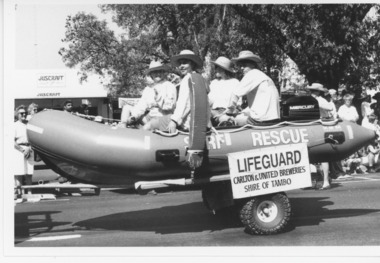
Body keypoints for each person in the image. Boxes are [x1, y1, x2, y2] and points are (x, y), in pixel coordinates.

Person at [223, 50, 280, 126]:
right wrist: (242, 111)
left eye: (244, 65)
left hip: (260, 121)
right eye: (240, 66)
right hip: (274, 119)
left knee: (230, 119)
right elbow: (259, 104)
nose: (242, 68)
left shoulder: (252, 74)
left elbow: (235, 95)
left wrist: (228, 112)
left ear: (253, 65)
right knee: (242, 115)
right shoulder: (263, 76)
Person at [120, 60, 177, 130]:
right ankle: (122, 128)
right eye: (155, 72)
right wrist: (134, 116)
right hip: (149, 117)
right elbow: (141, 105)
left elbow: (169, 106)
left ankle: (140, 134)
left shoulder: (169, 86)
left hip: (162, 117)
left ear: (163, 72)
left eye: (159, 71)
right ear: (151, 74)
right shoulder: (148, 89)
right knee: (126, 107)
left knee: (145, 128)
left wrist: (158, 100)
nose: (157, 74)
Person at [163, 50, 211, 133]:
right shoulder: (199, 78)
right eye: (180, 63)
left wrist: (174, 121)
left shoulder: (187, 79)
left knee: (153, 123)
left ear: (192, 64)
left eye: (184, 63)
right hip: (199, 123)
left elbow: (183, 102)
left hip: (187, 123)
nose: (181, 66)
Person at [306, 83, 334, 189]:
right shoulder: (310, 100)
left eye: (314, 91)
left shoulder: (320, 100)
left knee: (323, 155)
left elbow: (330, 107)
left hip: (322, 125)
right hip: (313, 126)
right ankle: (317, 178)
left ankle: (325, 180)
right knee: (313, 155)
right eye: (311, 91)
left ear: (318, 92)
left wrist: (316, 103)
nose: (311, 93)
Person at [208, 56, 240, 126]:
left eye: (218, 67)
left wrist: (229, 112)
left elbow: (238, 102)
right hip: (213, 112)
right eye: (215, 67)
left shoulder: (235, 82)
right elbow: (209, 100)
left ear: (225, 70)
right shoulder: (214, 83)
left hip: (227, 112)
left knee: (225, 119)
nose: (216, 69)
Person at [14, 105, 34, 202]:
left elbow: (33, 139)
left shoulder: (29, 125)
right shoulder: (14, 125)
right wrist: (22, 150)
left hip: (29, 149)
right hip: (18, 150)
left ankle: (29, 193)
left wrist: (29, 148)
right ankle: (19, 194)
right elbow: (12, 141)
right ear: (17, 115)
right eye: (21, 113)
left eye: (25, 113)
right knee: (19, 172)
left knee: (29, 172)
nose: (24, 114)